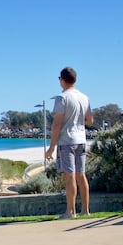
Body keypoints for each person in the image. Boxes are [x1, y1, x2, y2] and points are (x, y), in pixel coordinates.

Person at [45, 67, 94, 218]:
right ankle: (85, 210)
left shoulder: (62, 98)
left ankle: (70, 211)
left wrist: (51, 148)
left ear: (62, 79)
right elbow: (90, 120)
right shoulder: (84, 97)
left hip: (67, 141)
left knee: (70, 176)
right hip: (81, 139)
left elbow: (57, 125)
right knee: (81, 175)